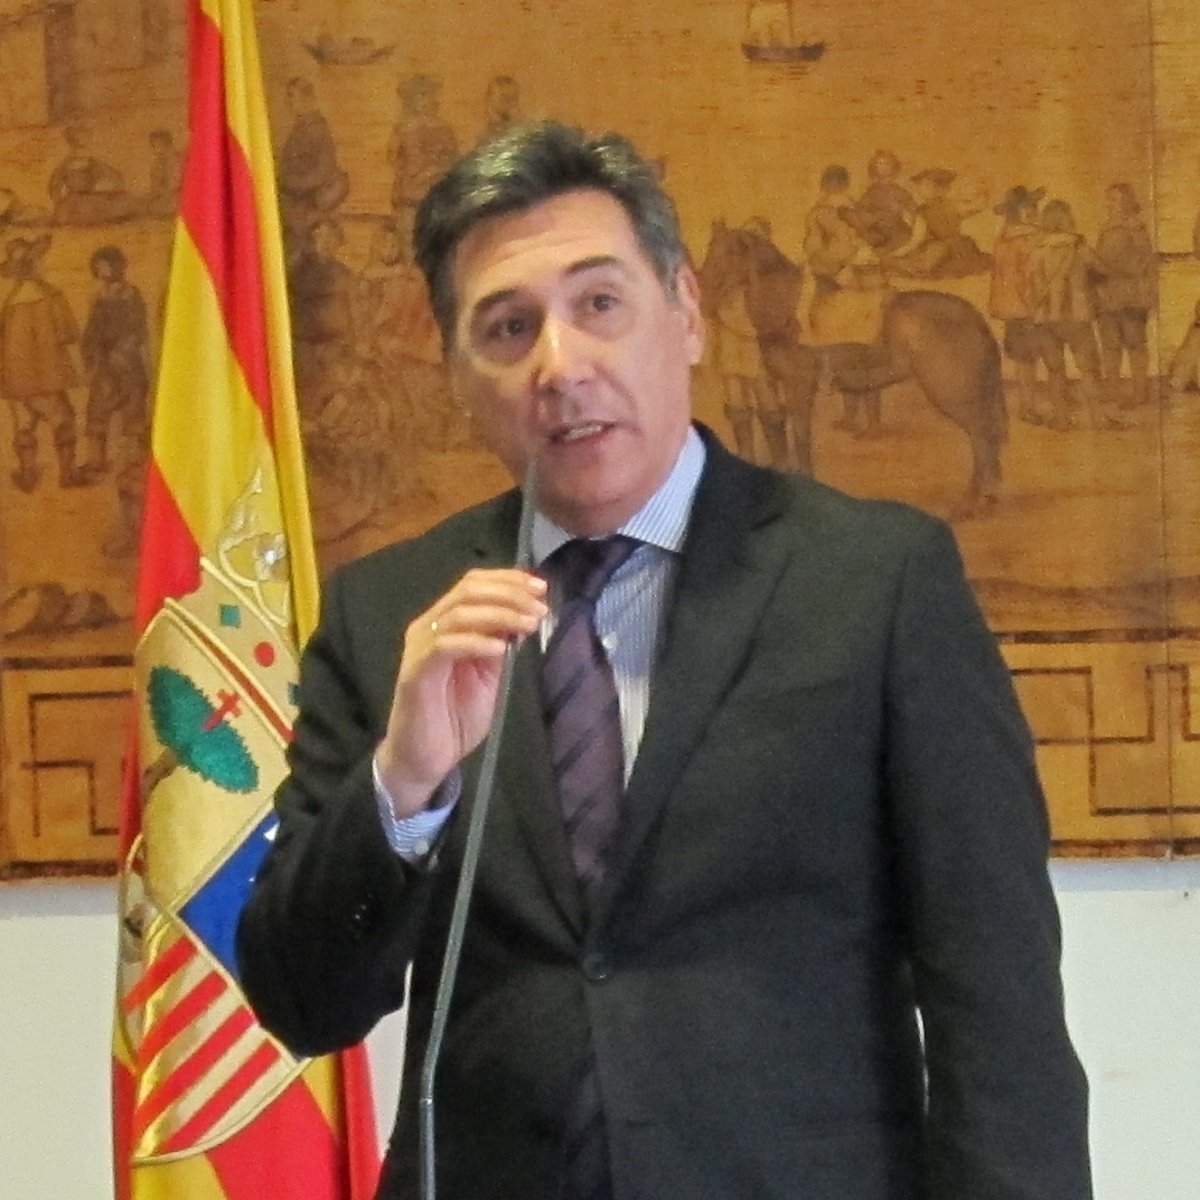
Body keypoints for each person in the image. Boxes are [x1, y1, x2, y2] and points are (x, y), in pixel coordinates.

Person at [237, 121, 1092, 1200]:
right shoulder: (391, 616)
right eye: (508, 327)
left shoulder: (876, 583)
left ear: (686, 310)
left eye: (600, 303)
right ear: (456, 372)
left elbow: (997, 992)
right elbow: (301, 1001)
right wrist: (403, 788)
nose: (561, 366)